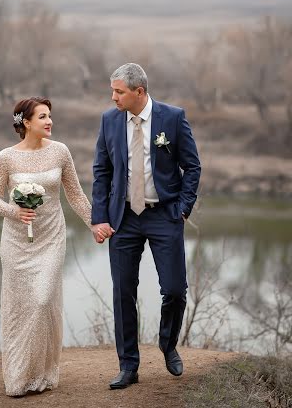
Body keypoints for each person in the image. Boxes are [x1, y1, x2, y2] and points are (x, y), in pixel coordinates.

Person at [0, 97, 111, 397]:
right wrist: (14, 211)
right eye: (42, 116)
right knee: (20, 307)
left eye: (50, 116)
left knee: (43, 301)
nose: (49, 121)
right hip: (16, 242)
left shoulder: (60, 152)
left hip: (51, 238)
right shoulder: (6, 157)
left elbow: (76, 195)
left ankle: (42, 372)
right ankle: (19, 376)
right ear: (26, 122)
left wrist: (95, 223)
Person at [91, 63, 201, 389]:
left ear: (139, 91)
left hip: (164, 215)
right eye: (112, 91)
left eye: (119, 91)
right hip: (123, 219)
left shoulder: (173, 117)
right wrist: (100, 217)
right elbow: (102, 171)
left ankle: (167, 345)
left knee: (175, 290)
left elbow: (192, 167)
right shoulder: (109, 120)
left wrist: (182, 209)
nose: (113, 97)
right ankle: (128, 366)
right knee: (123, 293)